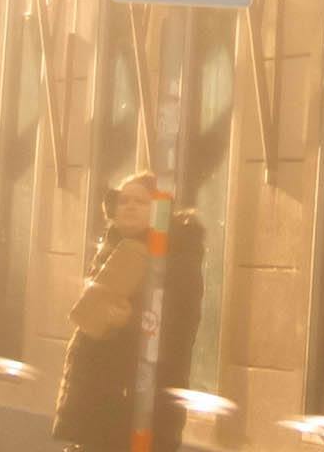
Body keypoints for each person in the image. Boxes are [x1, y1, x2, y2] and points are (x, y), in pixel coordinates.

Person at [53, 169, 211, 452]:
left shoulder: (177, 258)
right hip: (98, 405)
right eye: (124, 200)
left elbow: (180, 327)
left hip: (142, 409)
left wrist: (131, 320)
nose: (129, 206)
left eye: (140, 201)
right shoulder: (111, 249)